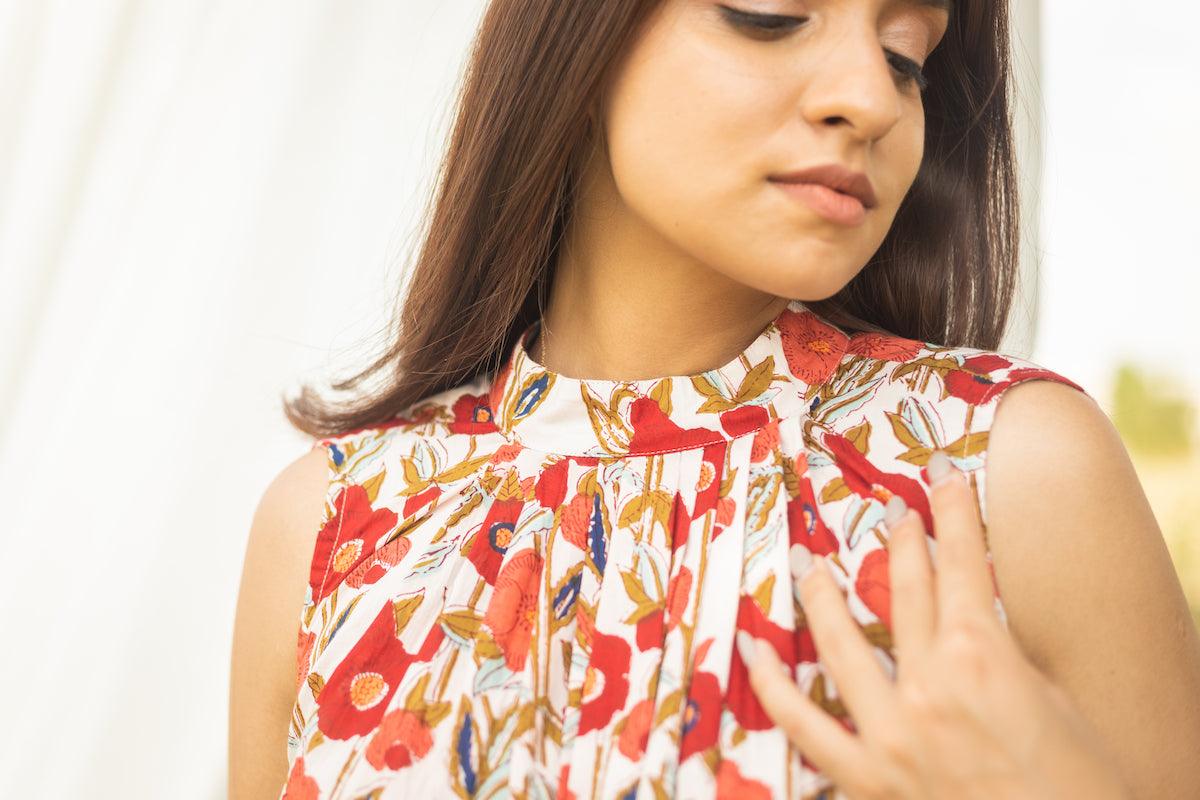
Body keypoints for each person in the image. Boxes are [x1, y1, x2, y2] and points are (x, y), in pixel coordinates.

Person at [228, 0, 1200, 797]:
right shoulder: (331, 524)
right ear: (578, 35)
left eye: (907, 56)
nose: (871, 98)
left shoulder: (1007, 471)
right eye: (769, 14)